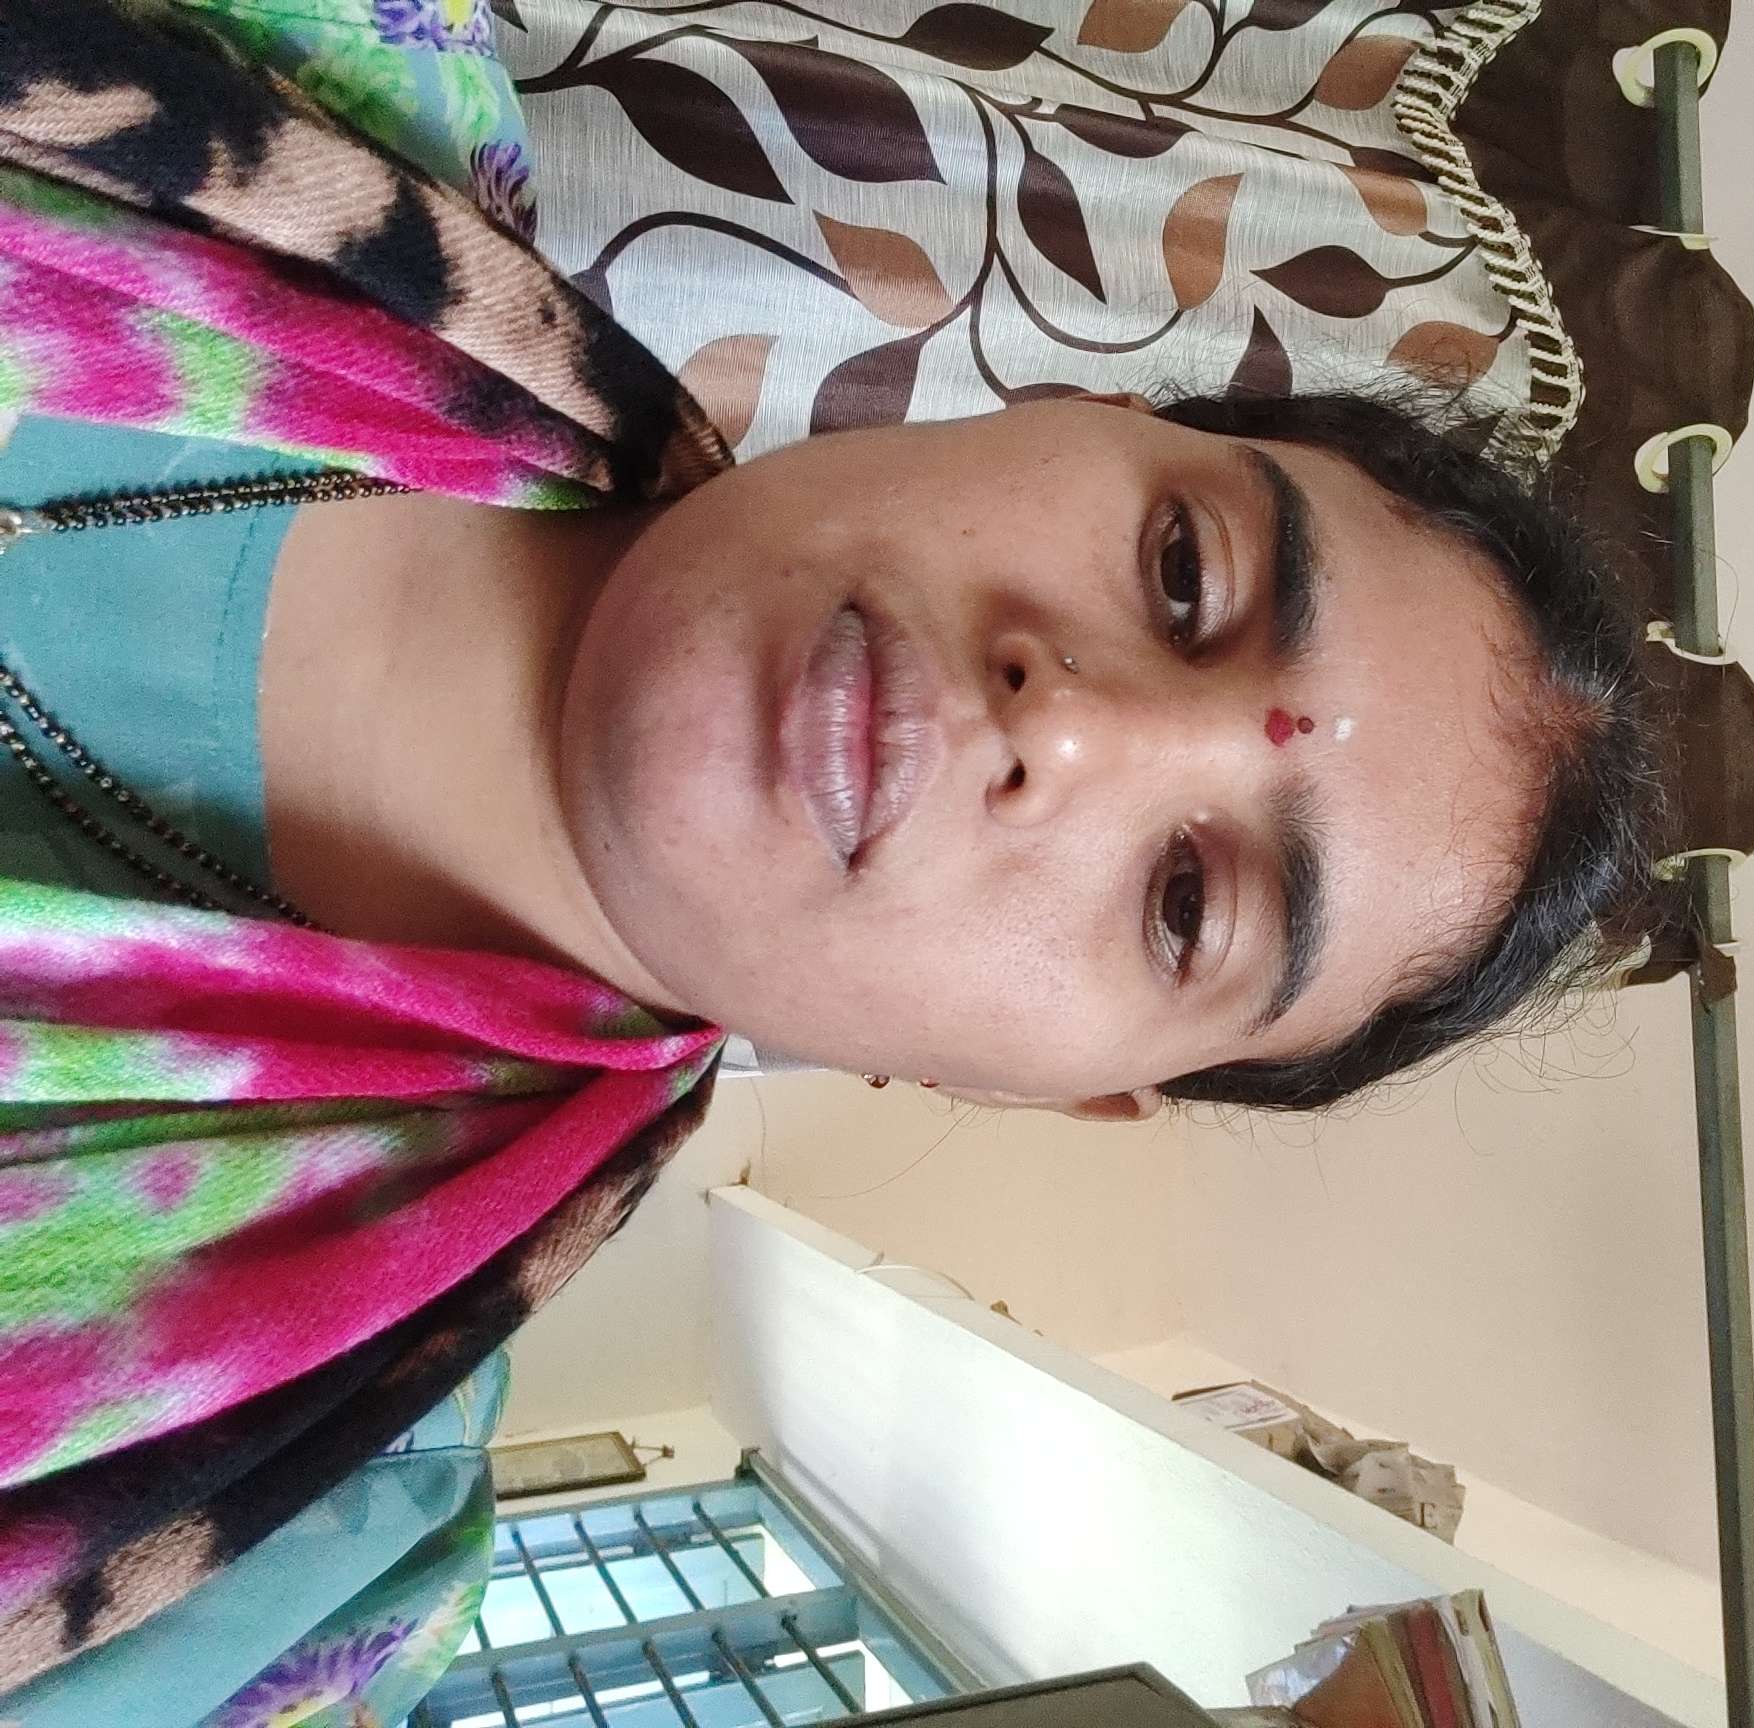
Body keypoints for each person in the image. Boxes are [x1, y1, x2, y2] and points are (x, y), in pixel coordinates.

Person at [0, 0, 1658, 1717]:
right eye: (1185, 571)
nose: (1070, 730)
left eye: (1189, 904)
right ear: (1072, 407)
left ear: (1051, 1093)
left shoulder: (281, 1551)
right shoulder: (318, 61)